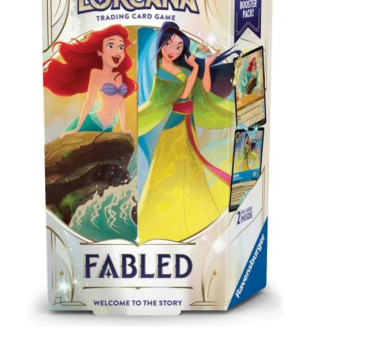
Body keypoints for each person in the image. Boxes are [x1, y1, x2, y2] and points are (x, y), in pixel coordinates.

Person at [138, 22, 238, 243]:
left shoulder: (182, 69)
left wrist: (206, 66)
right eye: (169, 44)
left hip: (187, 123)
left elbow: (206, 89)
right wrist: (195, 70)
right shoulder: (161, 75)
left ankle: (193, 218)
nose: (172, 50)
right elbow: (184, 94)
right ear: (161, 44)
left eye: (178, 46)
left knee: (191, 170)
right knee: (169, 171)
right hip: (174, 127)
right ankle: (161, 222)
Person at [43, 24, 138, 137]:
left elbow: (120, 104)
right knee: (68, 145)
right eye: (110, 45)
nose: (117, 51)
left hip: (110, 124)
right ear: (100, 51)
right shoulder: (96, 73)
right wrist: (77, 128)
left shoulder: (119, 76)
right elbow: (89, 101)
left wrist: (124, 129)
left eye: (121, 47)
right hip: (92, 122)